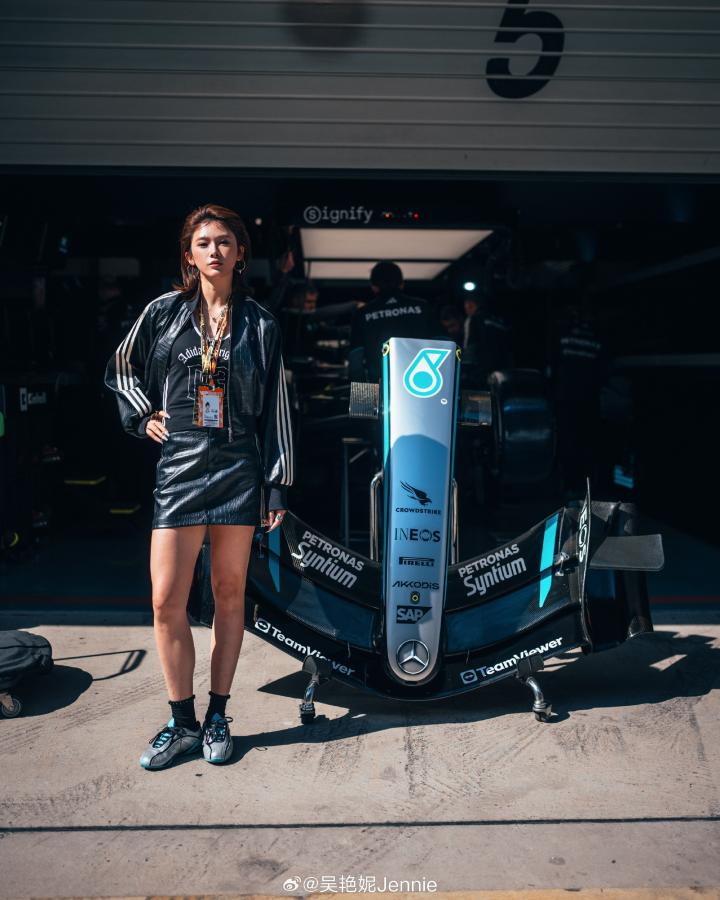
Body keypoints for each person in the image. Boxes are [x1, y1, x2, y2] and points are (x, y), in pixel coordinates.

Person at [104, 204, 294, 770]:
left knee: (229, 595)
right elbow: (121, 367)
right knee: (166, 600)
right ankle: (181, 721)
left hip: (239, 466)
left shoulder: (261, 323)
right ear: (189, 254)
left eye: (225, 241)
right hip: (181, 463)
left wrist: (277, 484)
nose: (215, 250)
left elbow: (278, 408)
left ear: (240, 253)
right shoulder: (164, 311)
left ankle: (217, 715)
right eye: (204, 242)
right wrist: (142, 415)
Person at [349, 261, 432, 381]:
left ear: (374, 287)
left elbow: (356, 359)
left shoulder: (362, 313)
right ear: (402, 283)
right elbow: (446, 343)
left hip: (379, 384)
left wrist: (363, 392)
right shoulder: (423, 307)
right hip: (421, 384)